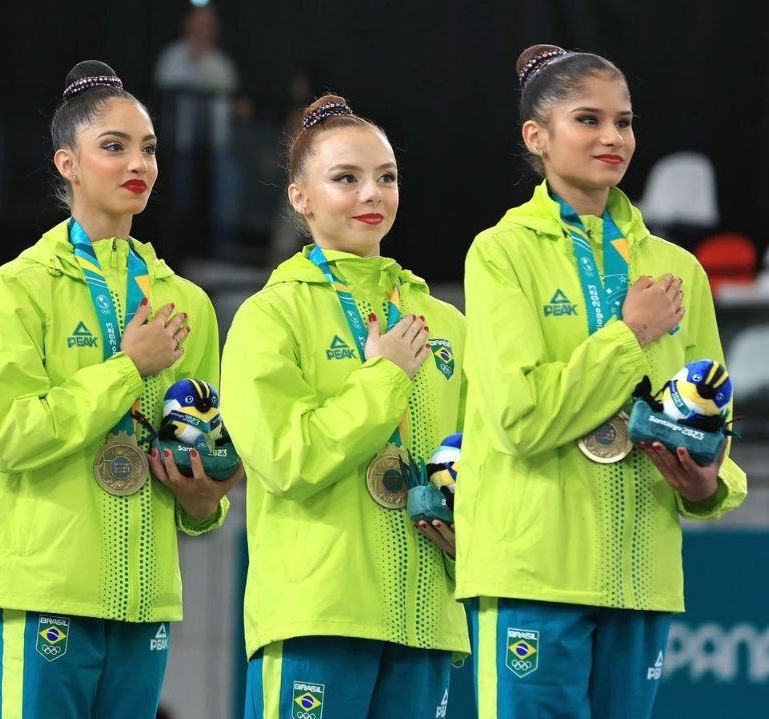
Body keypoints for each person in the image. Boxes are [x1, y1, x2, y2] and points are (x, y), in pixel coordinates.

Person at [455, 44, 748, 719]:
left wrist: (710, 485)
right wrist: (628, 335)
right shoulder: (501, 253)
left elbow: (712, 412)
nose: (613, 138)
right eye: (589, 120)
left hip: (642, 576)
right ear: (538, 136)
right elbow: (520, 418)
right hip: (534, 570)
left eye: (625, 121)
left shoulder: (677, 268)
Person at [0, 60, 242, 719]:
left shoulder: (187, 303)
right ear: (68, 163)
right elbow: (11, 435)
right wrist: (126, 367)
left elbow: (197, 448)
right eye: (113, 147)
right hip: (45, 586)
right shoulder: (17, 287)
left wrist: (206, 499)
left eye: (146, 147)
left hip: (144, 592)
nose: (136, 162)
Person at [222, 94, 467, 718]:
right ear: (300, 197)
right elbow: (286, 459)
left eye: (386, 177)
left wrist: (479, 531)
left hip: (427, 620)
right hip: (319, 613)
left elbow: (482, 454)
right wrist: (383, 376)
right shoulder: (270, 317)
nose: (371, 195)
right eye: (346, 179)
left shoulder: (444, 322)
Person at [153, 3, 244, 262]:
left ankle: (222, 258)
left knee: (228, 184)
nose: (205, 28)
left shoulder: (222, 66)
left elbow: (228, 117)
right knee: (175, 195)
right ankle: (172, 257)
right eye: (200, 21)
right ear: (187, 23)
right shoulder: (171, 59)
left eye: (210, 23)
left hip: (216, 148)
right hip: (176, 147)